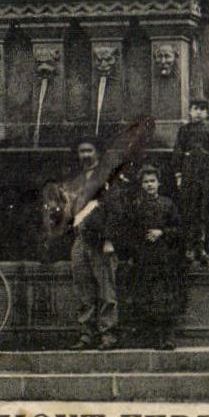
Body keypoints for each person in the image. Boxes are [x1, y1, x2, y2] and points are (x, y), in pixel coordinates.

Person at [67, 138, 120, 352]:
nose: (85, 155)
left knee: (106, 290)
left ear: (97, 153)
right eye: (81, 151)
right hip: (81, 239)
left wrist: (109, 239)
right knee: (84, 290)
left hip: (100, 241)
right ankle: (87, 334)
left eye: (89, 150)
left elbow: (115, 209)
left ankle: (108, 334)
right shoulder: (78, 179)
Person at [123, 165, 183, 350]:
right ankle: (152, 337)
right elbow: (130, 232)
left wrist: (162, 232)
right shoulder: (136, 206)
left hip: (164, 258)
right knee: (146, 296)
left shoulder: (168, 204)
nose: (149, 185)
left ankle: (168, 338)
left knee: (165, 296)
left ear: (159, 183)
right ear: (141, 185)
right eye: (145, 182)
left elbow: (179, 229)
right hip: (143, 258)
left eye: (152, 181)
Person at [173, 97, 209, 266]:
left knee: (204, 211)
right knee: (189, 210)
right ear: (189, 111)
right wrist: (179, 175)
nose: (198, 112)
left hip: (206, 175)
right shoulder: (184, 130)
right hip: (189, 173)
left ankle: (201, 248)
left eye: (202, 109)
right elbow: (178, 151)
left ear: (207, 112)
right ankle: (189, 248)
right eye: (195, 108)